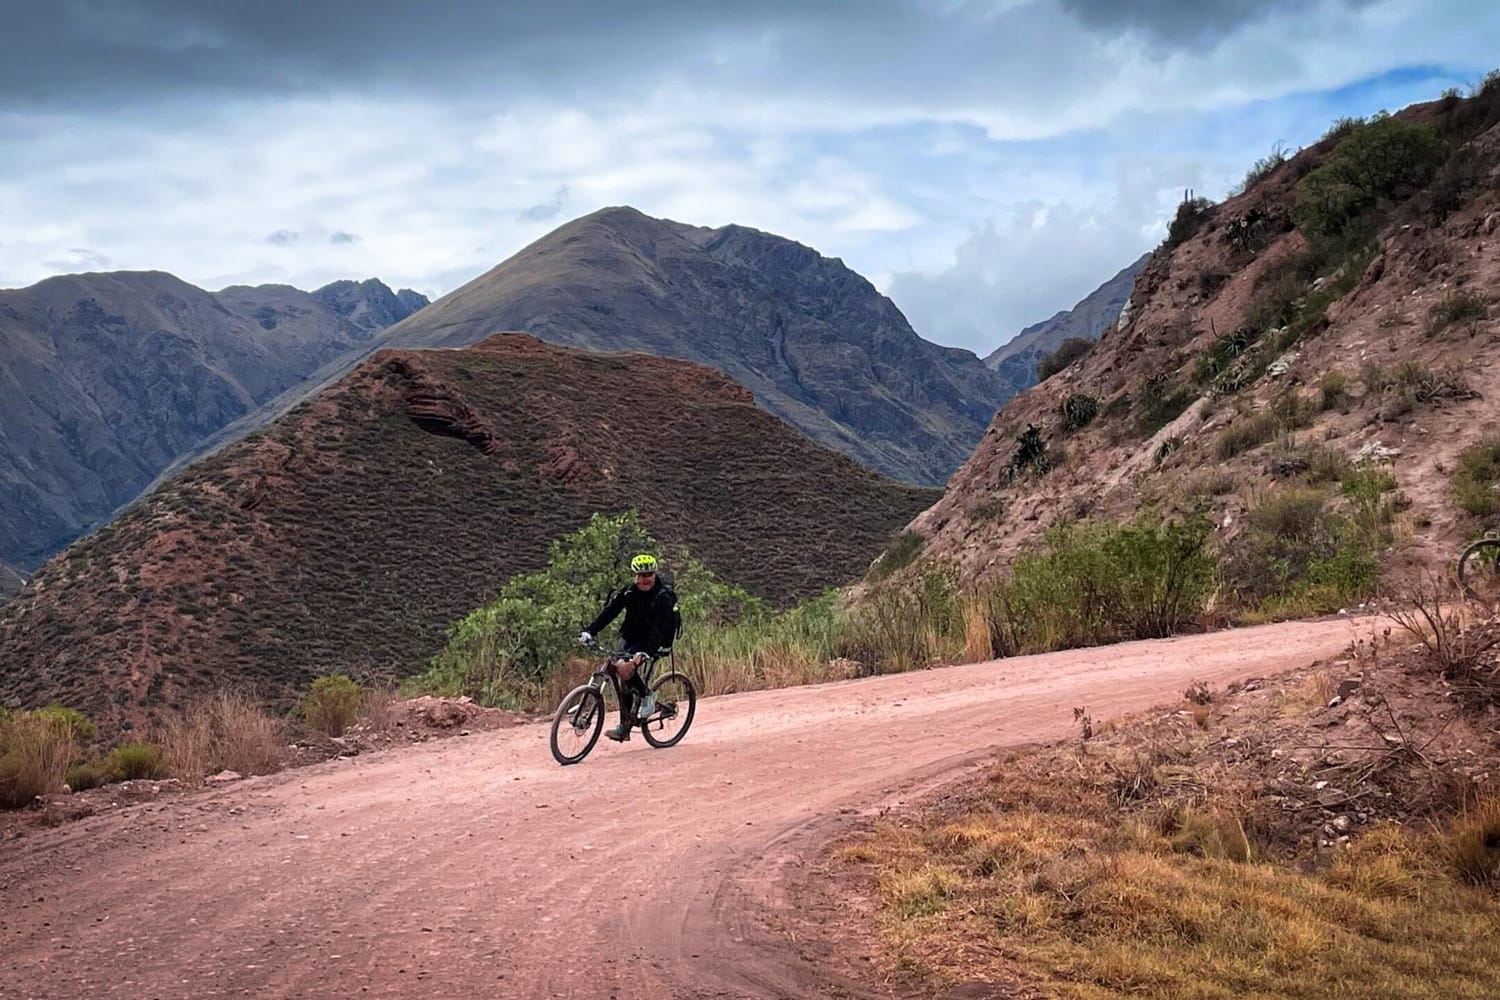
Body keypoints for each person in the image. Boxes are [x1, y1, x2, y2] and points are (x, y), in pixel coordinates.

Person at [578, 553, 680, 741]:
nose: (645, 579)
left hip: (653, 641)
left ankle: (647, 695)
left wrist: (645, 652)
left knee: (624, 669)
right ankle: (625, 727)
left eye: (648, 575)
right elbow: (610, 612)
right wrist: (590, 631)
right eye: (641, 575)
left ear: (654, 574)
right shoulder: (629, 592)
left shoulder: (663, 596)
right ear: (635, 576)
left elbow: (658, 629)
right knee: (620, 673)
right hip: (631, 637)